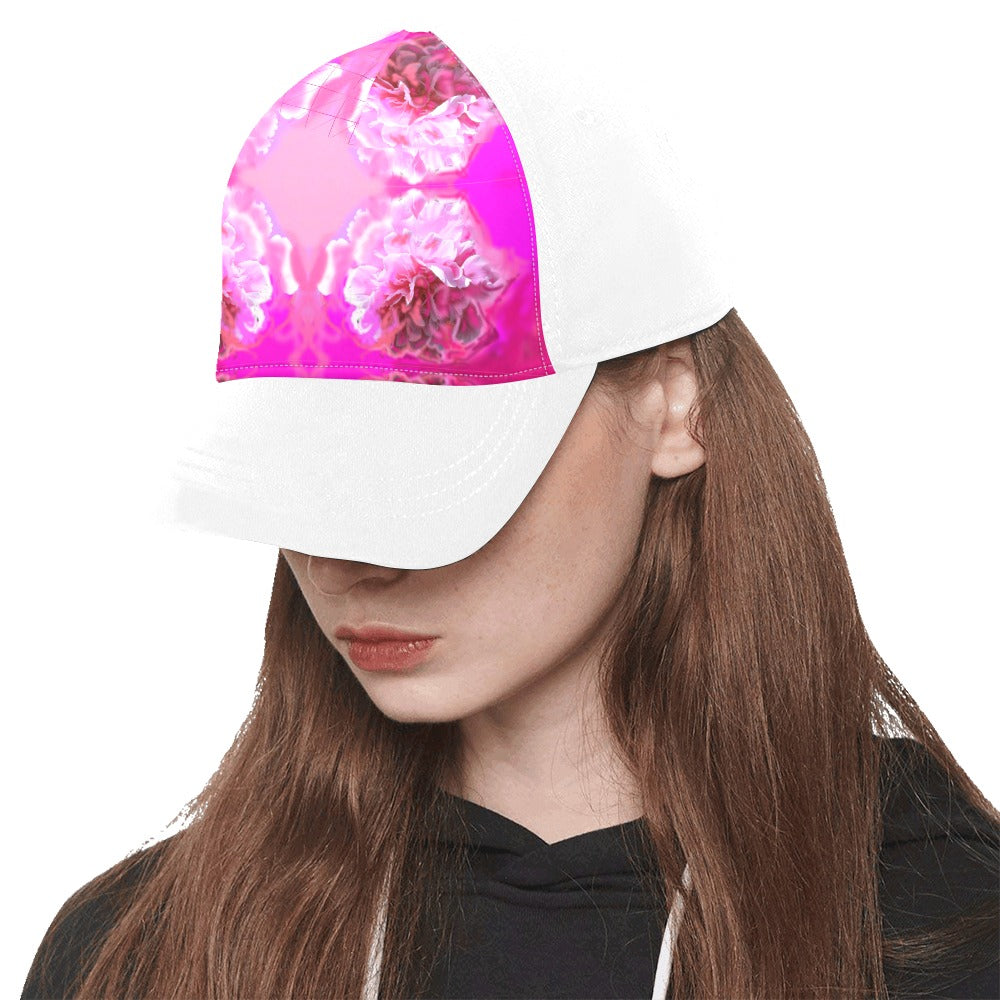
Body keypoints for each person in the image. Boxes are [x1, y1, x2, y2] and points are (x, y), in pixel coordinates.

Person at [20, 19, 999, 1000]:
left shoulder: (954, 931)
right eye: (312, 468)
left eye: (425, 466)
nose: (350, 560)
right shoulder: (137, 954)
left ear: (675, 408)